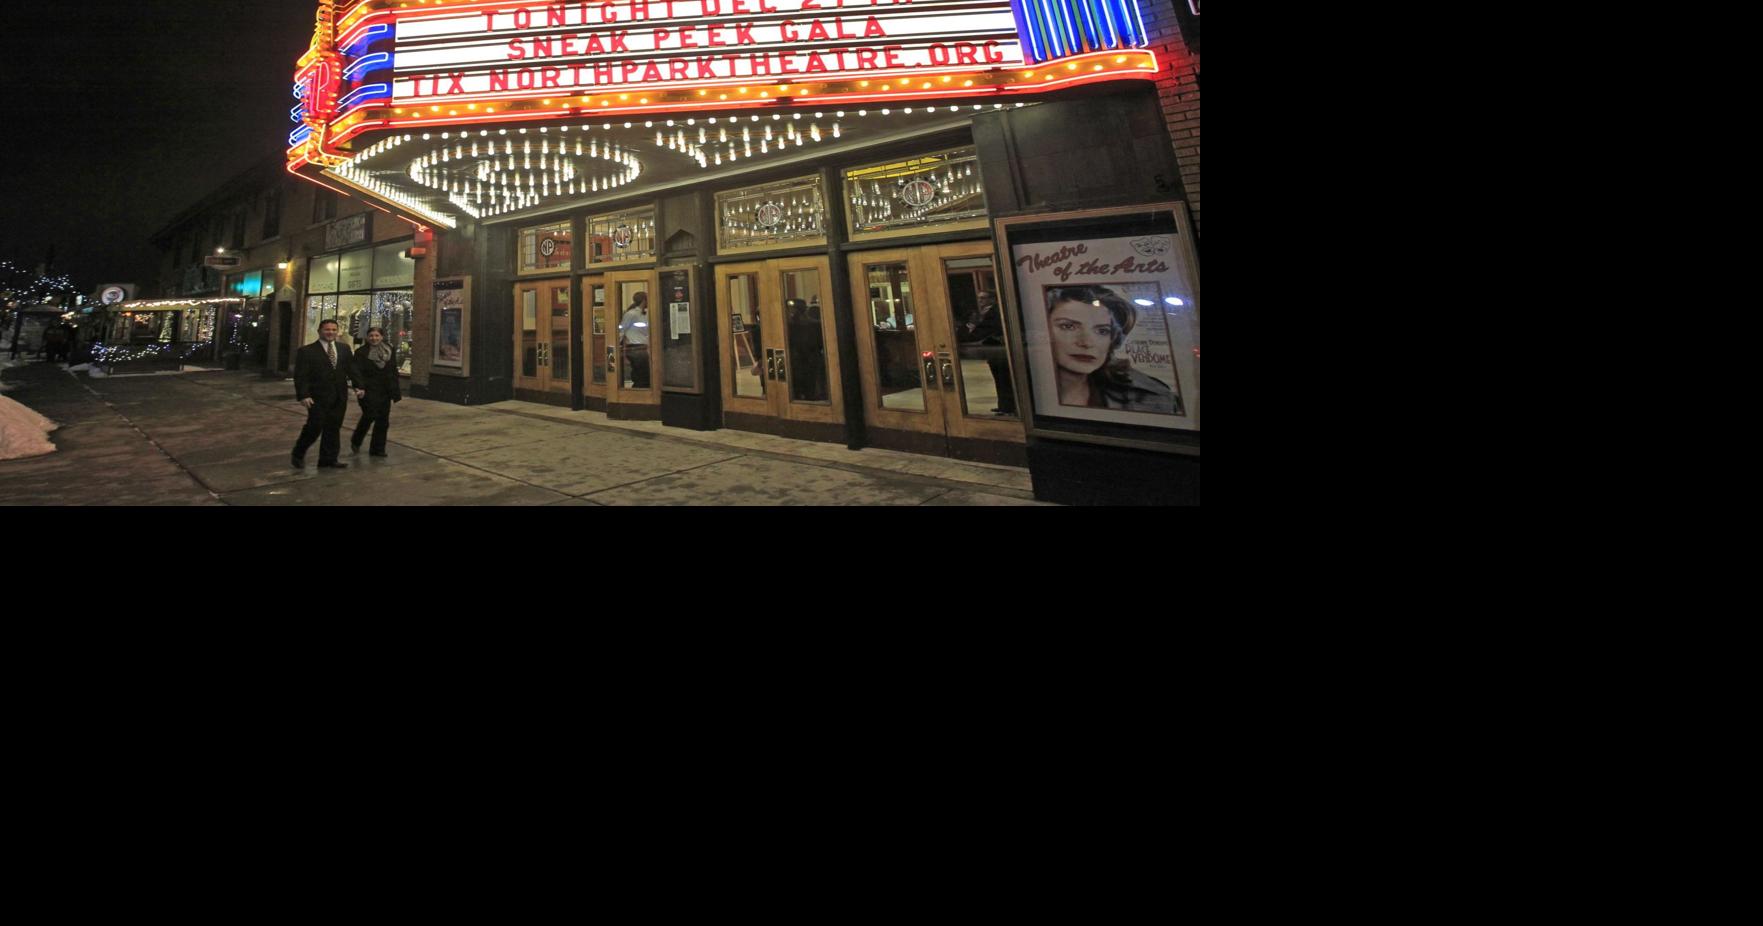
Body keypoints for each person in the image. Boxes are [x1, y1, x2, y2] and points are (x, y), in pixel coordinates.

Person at [1044, 286, 1179, 415]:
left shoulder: (1151, 399)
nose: (1087, 343)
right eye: (1068, 326)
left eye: (1102, 331)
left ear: (1113, 339)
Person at [291, 319, 362, 469]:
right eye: (327, 329)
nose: (330, 332)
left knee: (333, 427)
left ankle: (328, 459)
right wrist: (303, 395)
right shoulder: (307, 351)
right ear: (320, 331)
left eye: (333, 330)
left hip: (339, 396)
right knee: (314, 427)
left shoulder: (344, 349)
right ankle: (298, 452)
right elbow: (301, 376)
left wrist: (359, 386)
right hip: (317, 397)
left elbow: (351, 369)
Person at [957, 290, 1016, 415]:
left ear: (992, 299)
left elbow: (984, 330)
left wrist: (966, 336)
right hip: (993, 349)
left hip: (998, 349)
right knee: (999, 379)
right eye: (979, 298)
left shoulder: (993, 312)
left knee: (1003, 379)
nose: (980, 301)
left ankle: (1008, 406)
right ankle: (1004, 405)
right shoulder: (983, 313)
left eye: (983, 298)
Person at [349, 326, 401, 457]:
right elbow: (356, 371)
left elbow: (393, 370)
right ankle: (356, 439)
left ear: (382, 337)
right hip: (368, 390)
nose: (374, 338)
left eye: (377, 335)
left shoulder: (389, 350)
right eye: (371, 335)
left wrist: (395, 389)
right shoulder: (361, 352)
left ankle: (378, 449)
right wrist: (359, 387)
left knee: (383, 420)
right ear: (367, 337)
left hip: (385, 390)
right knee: (369, 415)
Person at [619, 291, 650, 387]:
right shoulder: (631, 314)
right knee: (641, 373)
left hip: (642, 347)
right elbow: (622, 329)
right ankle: (638, 392)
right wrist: (618, 345)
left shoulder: (643, 314)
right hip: (635, 347)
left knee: (643, 373)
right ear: (644, 300)